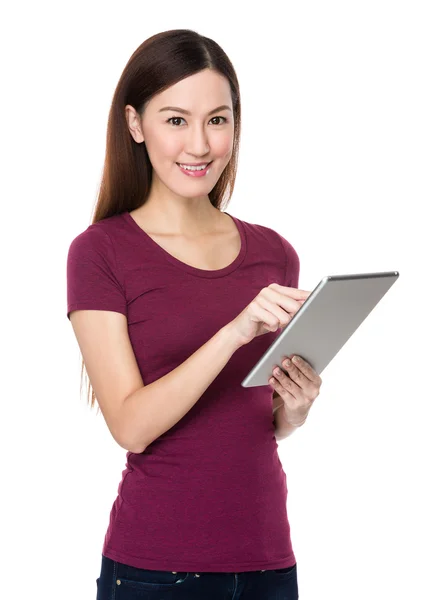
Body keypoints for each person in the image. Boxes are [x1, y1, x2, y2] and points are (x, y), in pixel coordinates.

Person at [66, 29, 322, 600]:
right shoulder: (101, 253)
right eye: (176, 120)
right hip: (157, 570)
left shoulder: (275, 254)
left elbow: (256, 418)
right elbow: (131, 427)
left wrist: (293, 411)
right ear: (135, 124)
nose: (201, 145)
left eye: (218, 119)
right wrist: (234, 331)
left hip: (268, 562)